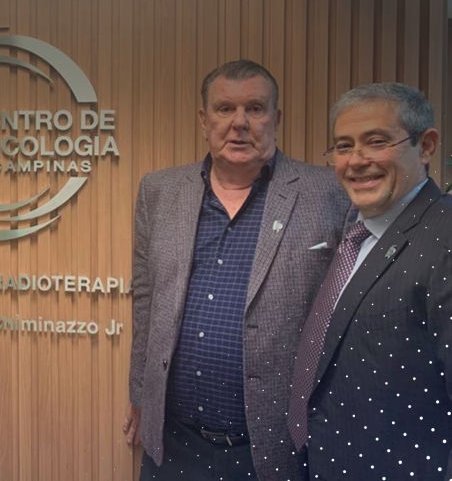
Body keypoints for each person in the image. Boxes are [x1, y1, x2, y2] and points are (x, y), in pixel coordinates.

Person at [122, 59, 350, 481]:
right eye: (225, 109)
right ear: (203, 120)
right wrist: (140, 393)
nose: (239, 123)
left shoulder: (330, 193)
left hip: (276, 446)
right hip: (174, 442)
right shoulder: (159, 191)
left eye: (255, 109)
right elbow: (146, 298)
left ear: (276, 118)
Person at [287, 83, 452, 480]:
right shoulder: (355, 237)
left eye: (376, 142)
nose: (357, 161)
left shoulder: (445, 235)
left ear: (426, 146)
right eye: (344, 146)